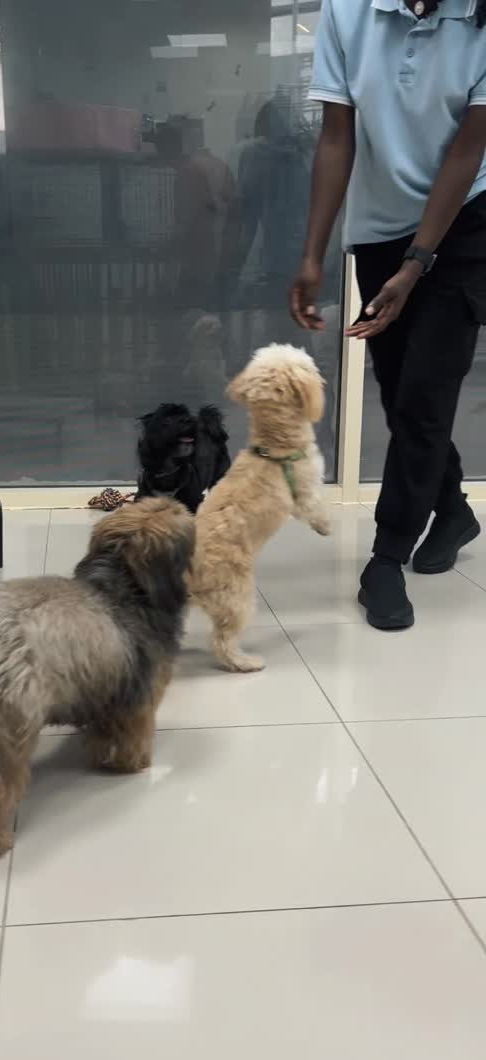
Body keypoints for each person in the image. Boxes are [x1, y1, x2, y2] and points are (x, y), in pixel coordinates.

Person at [291, 0, 486, 630]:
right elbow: (336, 136)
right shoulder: (347, 13)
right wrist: (313, 255)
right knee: (402, 392)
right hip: (378, 232)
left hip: (466, 224)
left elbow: (468, 150)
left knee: (427, 395)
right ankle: (452, 507)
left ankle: (386, 555)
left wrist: (418, 262)